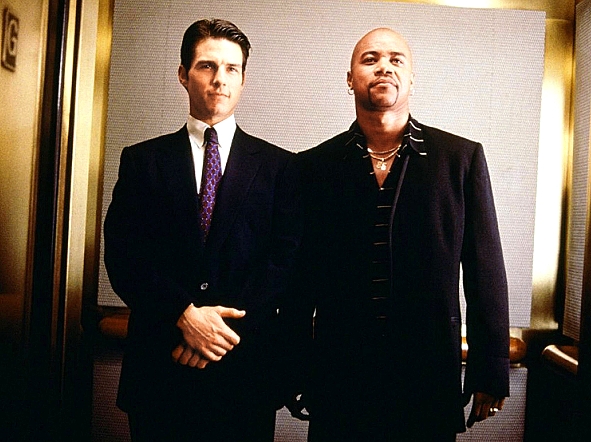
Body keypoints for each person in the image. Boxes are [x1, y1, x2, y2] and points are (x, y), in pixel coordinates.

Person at [287, 27, 510, 441]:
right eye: (369, 59)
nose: (384, 67)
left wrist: (490, 369)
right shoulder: (313, 166)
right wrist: (293, 367)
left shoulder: (459, 160)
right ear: (350, 78)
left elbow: (486, 274)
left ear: (411, 78)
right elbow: (299, 281)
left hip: (428, 376)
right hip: (340, 379)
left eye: (396, 59)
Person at [103, 19, 301, 442]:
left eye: (232, 68)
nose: (219, 79)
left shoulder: (281, 167)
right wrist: (185, 315)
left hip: (243, 373)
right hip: (160, 368)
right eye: (207, 66)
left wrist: (215, 331)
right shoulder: (142, 161)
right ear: (183, 74)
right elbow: (124, 256)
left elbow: (284, 264)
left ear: (244, 79)